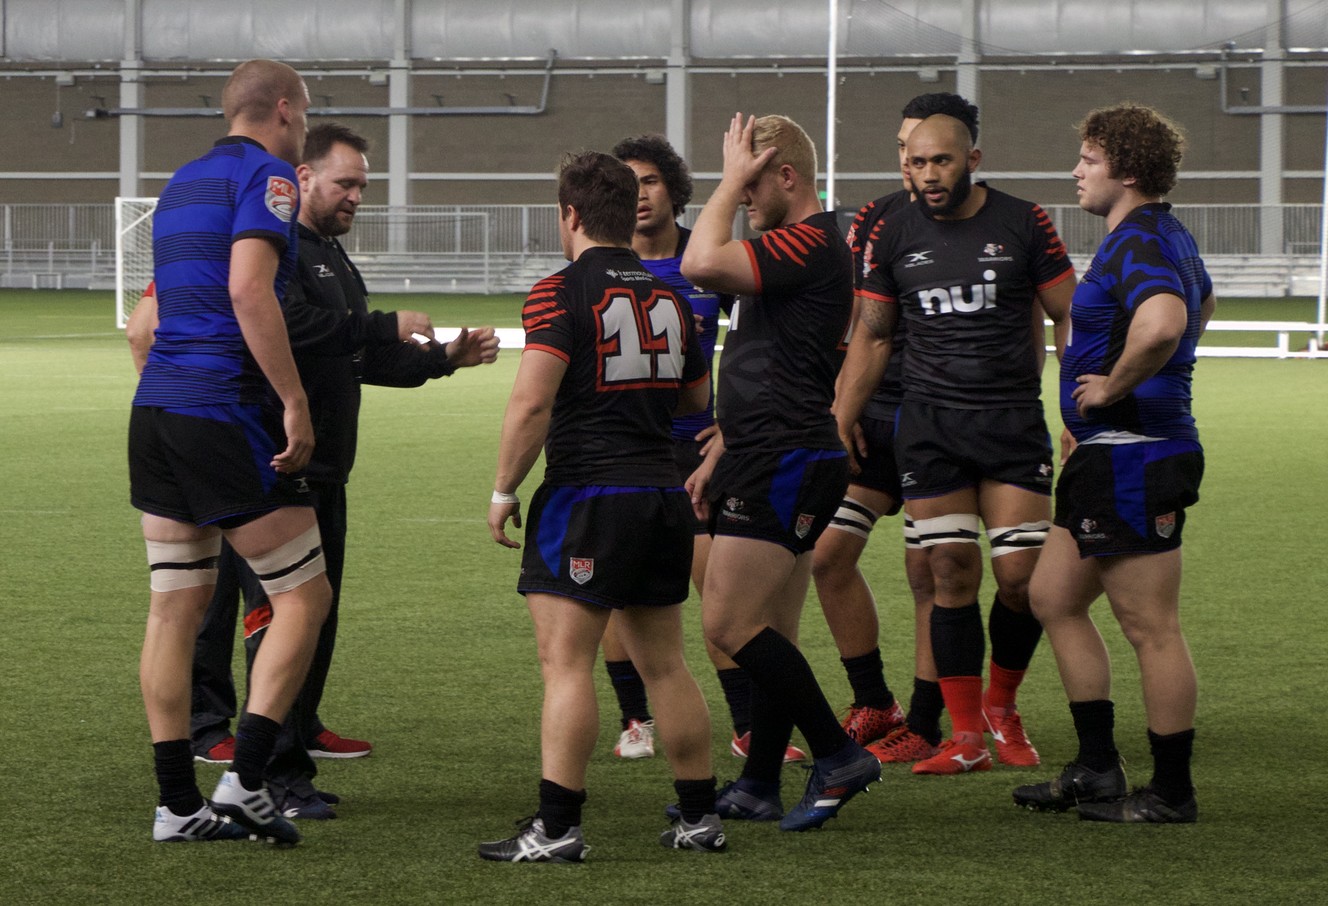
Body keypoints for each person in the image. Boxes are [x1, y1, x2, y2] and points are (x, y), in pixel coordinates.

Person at [187, 122, 500, 817]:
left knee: (314, 616)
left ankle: (298, 732)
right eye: (346, 182)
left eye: (363, 184)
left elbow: (354, 358)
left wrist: (442, 358)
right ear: (302, 178)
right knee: (275, 617)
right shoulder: (276, 247)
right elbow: (291, 324)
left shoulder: (332, 257)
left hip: (326, 468)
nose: (358, 195)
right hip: (272, 463)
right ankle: (272, 772)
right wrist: (384, 323)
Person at [481, 150, 722, 862]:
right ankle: (699, 818)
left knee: (566, 664)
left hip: (589, 493)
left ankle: (556, 829)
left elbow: (532, 402)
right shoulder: (672, 295)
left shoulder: (559, 293)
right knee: (667, 665)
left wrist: (502, 489)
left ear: (571, 215)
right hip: (661, 493)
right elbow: (695, 399)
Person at [836, 113, 1076, 776]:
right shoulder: (892, 231)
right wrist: (838, 419)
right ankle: (965, 738)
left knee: (1022, 579)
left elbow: (1069, 313)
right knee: (948, 573)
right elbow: (874, 336)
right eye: (916, 164)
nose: (928, 176)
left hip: (1009, 424)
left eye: (941, 162)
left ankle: (1003, 706)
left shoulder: (1024, 221)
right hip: (931, 428)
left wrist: (1078, 405)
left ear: (972, 157)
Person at [129, 58, 326, 846]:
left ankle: (176, 805)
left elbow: (148, 323)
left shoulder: (179, 183)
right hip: (223, 407)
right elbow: (249, 290)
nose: (306, 124)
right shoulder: (272, 176)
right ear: (282, 109)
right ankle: (246, 781)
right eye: (306, 112)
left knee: (174, 606)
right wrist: (293, 399)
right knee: (304, 596)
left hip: (156, 412)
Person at [1013, 104, 1213, 823]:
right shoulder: (1161, 237)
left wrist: (1114, 389)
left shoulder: (1140, 242)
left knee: (1150, 627)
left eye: (1089, 159)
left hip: (1135, 456)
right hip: (1111, 454)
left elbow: (1166, 323)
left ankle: (1170, 793)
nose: (1076, 171)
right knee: (1054, 598)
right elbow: (1205, 301)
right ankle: (1097, 768)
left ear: (1127, 171)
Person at [681, 113, 879, 833]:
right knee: (772, 632)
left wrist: (728, 184)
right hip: (773, 448)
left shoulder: (808, 238)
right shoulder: (795, 246)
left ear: (785, 176)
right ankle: (760, 781)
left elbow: (699, 262)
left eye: (754, 181)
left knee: (730, 623)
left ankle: (838, 754)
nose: (745, 198)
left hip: (786, 455)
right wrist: (724, 445)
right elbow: (773, 362)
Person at [602, 133, 804, 764]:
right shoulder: (605, 264)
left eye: (650, 180)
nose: (639, 194)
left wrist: (734, 423)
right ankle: (636, 718)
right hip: (625, 450)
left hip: (698, 451)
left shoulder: (708, 257)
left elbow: (757, 344)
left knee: (717, 590)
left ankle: (746, 725)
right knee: (618, 587)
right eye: (627, 183)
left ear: (674, 188)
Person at [814, 93, 978, 763]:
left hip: (935, 417)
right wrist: (840, 406)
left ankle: (930, 718)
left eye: (931, 152)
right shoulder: (876, 219)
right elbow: (856, 318)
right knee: (827, 554)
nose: (917, 166)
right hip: (873, 414)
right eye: (907, 153)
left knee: (930, 571)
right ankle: (873, 700)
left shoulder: (983, 222)